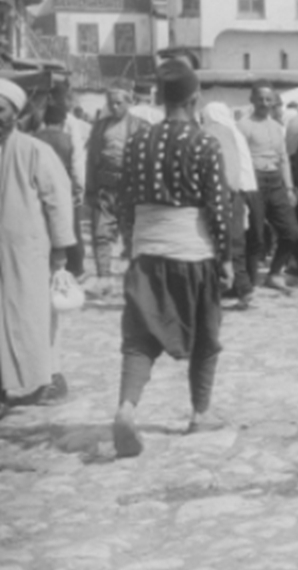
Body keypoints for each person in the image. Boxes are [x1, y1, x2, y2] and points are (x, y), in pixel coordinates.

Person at [111, 60, 232, 457]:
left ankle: (127, 408)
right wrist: (227, 257)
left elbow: (125, 202)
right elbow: (217, 206)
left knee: (139, 337)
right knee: (206, 333)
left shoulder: (137, 142)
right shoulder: (205, 142)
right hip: (192, 254)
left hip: (147, 252)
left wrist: (132, 244)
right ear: (195, 98)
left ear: (161, 99)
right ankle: (199, 414)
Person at [0, 78, 76, 413]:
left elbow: (58, 201)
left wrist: (61, 248)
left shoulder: (35, 151)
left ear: (14, 114)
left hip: (28, 252)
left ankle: (46, 377)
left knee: (34, 314)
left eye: (0, 109)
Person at [240, 84, 298, 295]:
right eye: (260, 99)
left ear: (274, 102)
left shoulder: (277, 126)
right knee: (256, 235)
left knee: (292, 232)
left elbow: (284, 158)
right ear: (252, 99)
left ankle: (274, 273)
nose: (265, 104)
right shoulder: (243, 126)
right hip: (254, 182)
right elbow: (242, 158)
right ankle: (249, 281)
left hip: (275, 181)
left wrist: (290, 187)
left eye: (268, 100)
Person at [201, 100, 258, 308]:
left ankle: (230, 288)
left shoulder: (209, 132)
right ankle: (243, 288)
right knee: (235, 242)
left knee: (216, 244)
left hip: (217, 195)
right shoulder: (234, 132)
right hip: (236, 194)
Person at [85, 86, 140, 290]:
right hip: (104, 188)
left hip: (129, 189)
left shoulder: (138, 126)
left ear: (128, 103)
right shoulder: (100, 127)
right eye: (111, 103)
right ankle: (104, 279)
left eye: (119, 103)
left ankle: (136, 280)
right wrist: (90, 188)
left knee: (131, 235)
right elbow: (91, 158)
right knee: (101, 233)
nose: (115, 107)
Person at [32, 100, 83, 279]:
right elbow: (77, 165)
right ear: (63, 122)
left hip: (38, 189)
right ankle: (74, 268)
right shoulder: (67, 140)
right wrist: (79, 189)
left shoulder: (34, 139)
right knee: (69, 228)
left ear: (44, 121)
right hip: (65, 189)